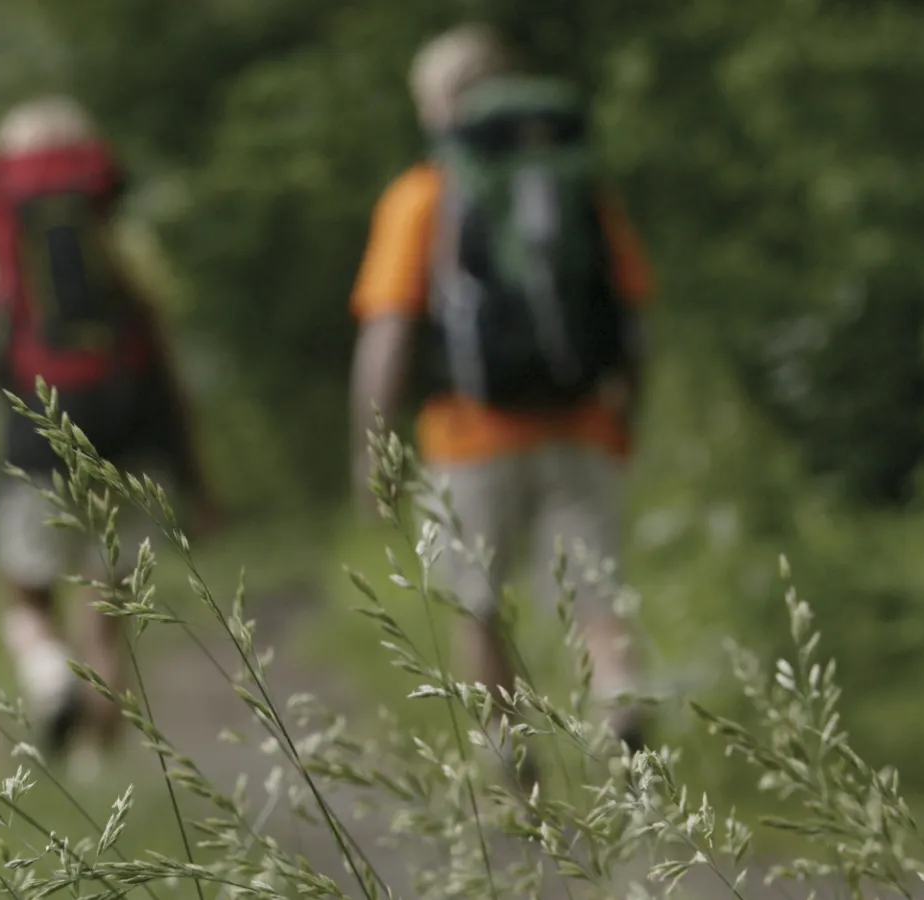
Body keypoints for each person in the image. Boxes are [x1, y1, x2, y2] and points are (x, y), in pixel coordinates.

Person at [347, 24, 655, 791]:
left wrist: (371, 449)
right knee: (594, 593)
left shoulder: (421, 196)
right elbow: (632, 313)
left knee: (477, 604)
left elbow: (387, 338)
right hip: (581, 423)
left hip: (466, 437)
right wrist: (626, 413)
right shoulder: (577, 183)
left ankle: (510, 751)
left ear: (434, 108)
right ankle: (618, 699)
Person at [0, 95, 219, 766]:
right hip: (132, 440)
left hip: (38, 444)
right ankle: (102, 773)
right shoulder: (122, 237)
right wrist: (200, 480)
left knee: (27, 599)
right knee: (108, 619)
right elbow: (170, 372)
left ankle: (50, 678)